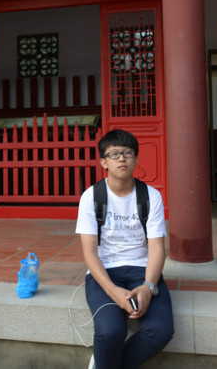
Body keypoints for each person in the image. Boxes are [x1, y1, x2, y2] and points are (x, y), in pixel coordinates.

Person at [76, 129, 174, 369]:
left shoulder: (151, 196)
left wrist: (149, 287)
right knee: (110, 332)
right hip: (106, 272)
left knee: (160, 331)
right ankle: (106, 357)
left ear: (136, 159)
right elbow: (89, 252)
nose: (122, 159)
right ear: (103, 162)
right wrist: (113, 291)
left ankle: (105, 362)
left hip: (142, 270)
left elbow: (157, 248)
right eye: (115, 154)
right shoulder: (91, 197)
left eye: (128, 153)